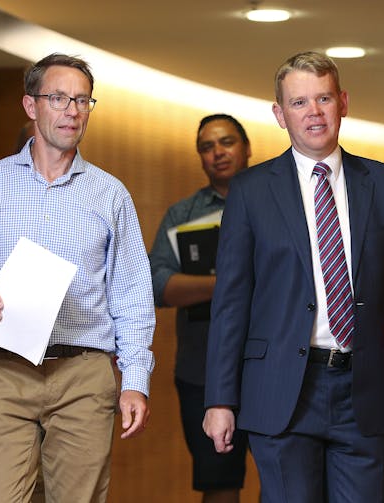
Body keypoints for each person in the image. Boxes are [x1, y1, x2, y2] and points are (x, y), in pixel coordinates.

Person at [202, 51, 384, 502]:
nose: (313, 113)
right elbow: (231, 303)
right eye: (299, 103)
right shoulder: (251, 191)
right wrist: (219, 399)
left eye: (323, 98)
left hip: (365, 386)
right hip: (281, 389)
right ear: (280, 115)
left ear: (343, 102)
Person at [0, 53, 155, 502]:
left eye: (82, 100)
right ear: (31, 106)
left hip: (84, 374)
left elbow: (132, 296)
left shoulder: (111, 195)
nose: (72, 110)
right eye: (58, 98)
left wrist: (135, 380)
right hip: (4, 369)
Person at [149, 114, 252, 503]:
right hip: (202, 371)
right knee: (218, 483)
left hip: (275, 367)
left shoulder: (280, 201)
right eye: (207, 147)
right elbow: (158, 285)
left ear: (246, 148)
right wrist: (232, 284)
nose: (217, 153)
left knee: (288, 480)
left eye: (226, 142)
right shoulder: (183, 215)